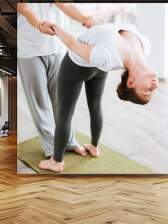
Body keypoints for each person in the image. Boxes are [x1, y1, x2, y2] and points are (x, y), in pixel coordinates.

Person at [37, 23, 159, 172]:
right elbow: (110, 30)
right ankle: (94, 147)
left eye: (147, 91)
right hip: (99, 68)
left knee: (64, 113)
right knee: (95, 106)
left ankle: (56, 162)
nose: (154, 87)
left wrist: (54, 28)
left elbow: (73, 44)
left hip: (78, 65)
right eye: (151, 91)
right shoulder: (146, 46)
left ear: (131, 82)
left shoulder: (106, 56)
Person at [17, 3, 95, 159]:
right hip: (29, 50)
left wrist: (84, 19)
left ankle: (68, 141)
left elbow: (65, 4)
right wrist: (39, 24)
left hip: (56, 48)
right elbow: (23, 7)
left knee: (62, 100)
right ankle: (51, 146)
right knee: (39, 103)